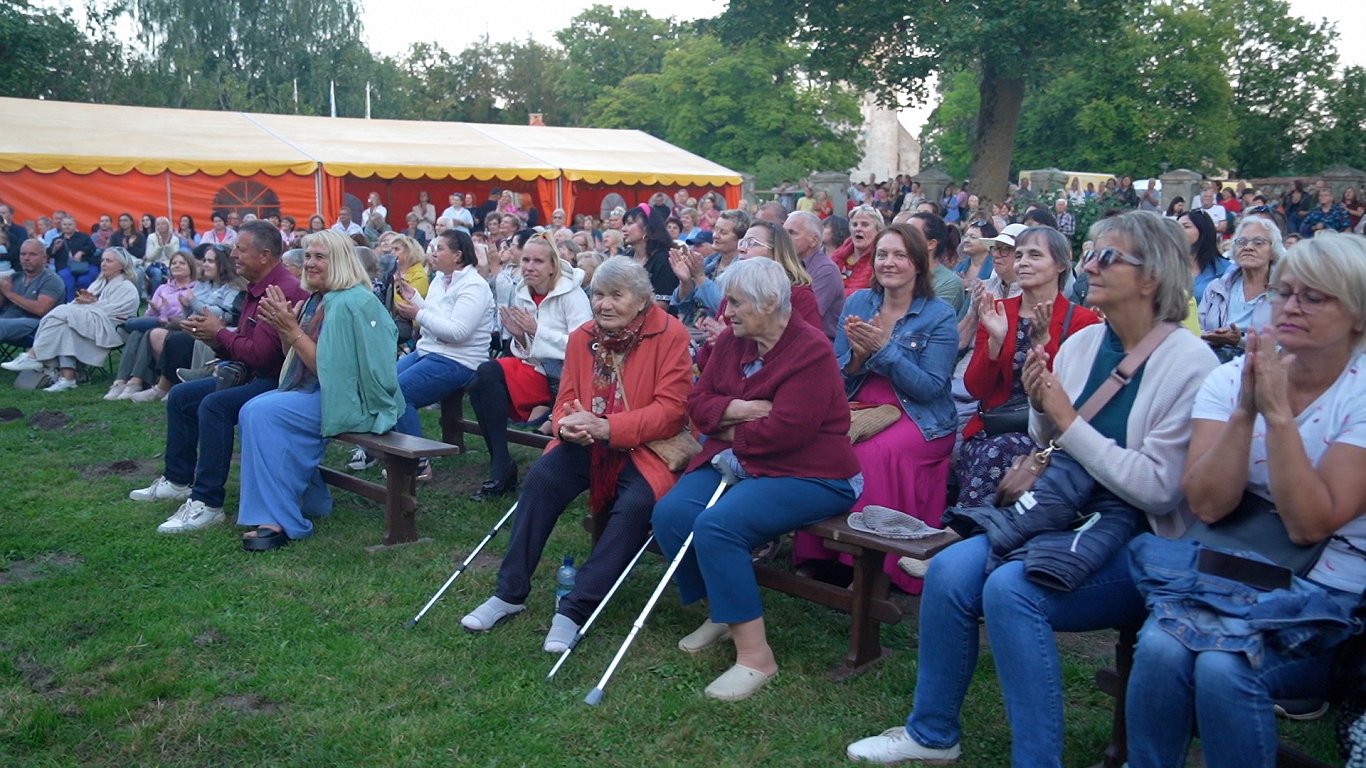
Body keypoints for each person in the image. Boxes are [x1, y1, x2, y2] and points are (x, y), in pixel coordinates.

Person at [847, 211, 1219, 766]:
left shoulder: (1189, 363)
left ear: (1152, 278)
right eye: (1090, 252)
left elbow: (1159, 490)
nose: (1089, 264)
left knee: (1010, 591)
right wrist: (1043, 406)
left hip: (1141, 536)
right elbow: (1048, 441)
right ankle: (932, 733)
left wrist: (1064, 420)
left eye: (1106, 256)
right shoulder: (1087, 343)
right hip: (1061, 509)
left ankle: (1036, 759)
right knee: (949, 571)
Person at [1125, 231, 1366, 768]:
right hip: (1232, 562)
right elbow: (1207, 506)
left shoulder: (1361, 391)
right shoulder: (1232, 377)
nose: (1291, 307)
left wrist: (1278, 416)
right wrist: (1245, 412)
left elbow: (1309, 525)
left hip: (1326, 583)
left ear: (1357, 315)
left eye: (1315, 296)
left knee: (1222, 667)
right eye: (1284, 292)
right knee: (1162, 647)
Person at [651, 258, 861, 701]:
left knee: (719, 526)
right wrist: (739, 413)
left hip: (812, 470)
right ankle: (724, 612)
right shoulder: (732, 341)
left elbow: (788, 432)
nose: (726, 311)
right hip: (741, 456)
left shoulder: (811, 350)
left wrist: (724, 425)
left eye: (736, 302)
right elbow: (698, 401)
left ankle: (756, 658)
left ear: (770, 303)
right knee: (672, 513)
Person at [461, 256, 693, 652]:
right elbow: (566, 397)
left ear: (641, 300)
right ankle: (509, 592)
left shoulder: (670, 335)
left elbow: (672, 410)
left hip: (645, 449)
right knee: (542, 478)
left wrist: (610, 427)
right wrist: (568, 422)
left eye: (615, 296)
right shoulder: (585, 335)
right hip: (588, 442)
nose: (604, 304)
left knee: (637, 504)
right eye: (599, 295)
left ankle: (575, 608)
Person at [791, 223, 959, 593]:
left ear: (918, 262)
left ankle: (869, 568)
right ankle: (823, 554)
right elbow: (837, 377)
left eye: (900, 255)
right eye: (883, 254)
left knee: (873, 453)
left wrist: (885, 352)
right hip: (861, 402)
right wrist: (858, 359)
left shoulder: (939, 315)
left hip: (918, 416)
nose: (889, 262)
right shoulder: (859, 303)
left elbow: (931, 388)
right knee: (824, 444)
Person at [128, 220, 308, 535]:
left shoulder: (280, 289)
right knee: (183, 397)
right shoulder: (258, 285)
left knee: (215, 405)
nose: (233, 254)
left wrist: (220, 333)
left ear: (264, 255)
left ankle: (208, 503)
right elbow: (249, 348)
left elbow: (263, 357)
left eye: (241, 249)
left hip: (278, 383)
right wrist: (214, 338)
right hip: (255, 375)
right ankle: (178, 480)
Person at [234, 229, 403, 550]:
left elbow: (332, 373)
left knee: (261, 413)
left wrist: (292, 329)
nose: (309, 263)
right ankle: (311, 498)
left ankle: (281, 520)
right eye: (307, 256)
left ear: (338, 260)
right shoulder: (319, 299)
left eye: (319, 257)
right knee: (251, 410)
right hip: (318, 392)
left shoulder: (353, 301)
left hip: (355, 399)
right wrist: (288, 330)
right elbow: (296, 359)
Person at [956, 227, 1101, 507]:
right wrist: (995, 343)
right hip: (996, 425)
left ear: (1060, 264)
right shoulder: (998, 311)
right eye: (1019, 255)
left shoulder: (1083, 322)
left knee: (1002, 453)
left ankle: (962, 526)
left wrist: (1043, 342)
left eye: (1035, 255)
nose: (1023, 262)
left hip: (1051, 434)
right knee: (994, 450)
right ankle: (970, 529)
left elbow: (1072, 391)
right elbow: (976, 388)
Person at [357, 230, 494, 478]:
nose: (432, 252)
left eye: (439, 248)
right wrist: (416, 298)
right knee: (381, 382)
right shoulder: (442, 279)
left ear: (458, 255)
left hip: (460, 360)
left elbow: (458, 331)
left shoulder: (474, 286)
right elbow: (438, 315)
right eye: (433, 247)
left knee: (399, 391)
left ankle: (418, 462)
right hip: (432, 351)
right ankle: (386, 446)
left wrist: (417, 314)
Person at [467, 233, 593, 499]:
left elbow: (583, 347)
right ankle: (501, 463)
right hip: (536, 369)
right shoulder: (522, 291)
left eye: (538, 261)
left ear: (552, 266)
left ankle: (501, 467)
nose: (529, 266)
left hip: (566, 377)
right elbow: (525, 349)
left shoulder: (573, 295)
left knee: (486, 374)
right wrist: (521, 336)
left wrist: (537, 331)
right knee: (480, 381)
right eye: (526, 259)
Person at [4, 247, 139, 392]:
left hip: (112, 328)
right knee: (64, 327)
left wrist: (91, 304)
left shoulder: (127, 287)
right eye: (103, 260)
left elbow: (116, 312)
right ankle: (68, 379)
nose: (103, 264)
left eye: (109, 261)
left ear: (121, 265)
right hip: (92, 321)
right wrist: (86, 302)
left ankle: (33, 355)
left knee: (62, 311)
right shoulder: (99, 283)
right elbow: (88, 304)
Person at [122, 245, 247, 401]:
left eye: (210, 261)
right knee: (152, 334)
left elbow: (222, 315)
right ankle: (146, 383)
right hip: (191, 325)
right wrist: (187, 307)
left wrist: (193, 302)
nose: (205, 264)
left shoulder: (233, 287)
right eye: (204, 260)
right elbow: (190, 313)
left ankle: (161, 388)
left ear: (222, 264)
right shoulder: (202, 284)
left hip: (214, 331)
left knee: (174, 339)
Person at [106, 249, 199, 401]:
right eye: (174, 263)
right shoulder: (163, 288)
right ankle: (122, 381)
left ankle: (136, 381)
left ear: (191, 267)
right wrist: (155, 310)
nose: (176, 266)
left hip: (176, 326)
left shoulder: (194, 289)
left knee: (140, 328)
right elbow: (149, 315)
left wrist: (168, 311)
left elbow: (186, 316)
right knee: (139, 333)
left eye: (182, 263)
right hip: (158, 322)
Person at [1198, 217, 1280, 360]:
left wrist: (1239, 341)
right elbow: (1199, 328)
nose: (1248, 247)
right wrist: (1211, 336)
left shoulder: (1283, 293)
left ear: (1273, 251)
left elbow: (1284, 345)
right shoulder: (1217, 288)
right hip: (1213, 360)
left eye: (1258, 242)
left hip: (1263, 365)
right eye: (1241, 242)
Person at [671, 208, 748, 323]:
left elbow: (726, 311)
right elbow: (681, 306)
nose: (716, 235)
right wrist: (685, 282)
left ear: (740, 239)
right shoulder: (708, 262)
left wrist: (700, 278)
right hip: (693, 331)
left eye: (723, 232)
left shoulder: (744, 270)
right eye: (715, 229)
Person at [785, 210, 844, 339]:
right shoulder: (788, 265)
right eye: (783, 232)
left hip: (816, 345)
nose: (784, 238)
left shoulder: (826, 270)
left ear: (813, 240)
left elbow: (805, 315)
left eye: (791, 233)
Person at [0, 238, 64, 346]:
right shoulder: (15, 277)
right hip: (7, 320)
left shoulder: (51, 280)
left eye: (32, 254)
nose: (26, 258)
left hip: (36, 325)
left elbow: (41, 310)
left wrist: (9, 293)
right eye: (23, 254)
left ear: (44, 258)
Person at [907, 212, 968, 315]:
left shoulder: (949, 283)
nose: (901, 238)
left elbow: (927, 323)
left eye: (911, 234)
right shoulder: (898, 272)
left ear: (931, 244)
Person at [622, 204, 678, 309]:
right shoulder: (627, 256)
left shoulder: (663, 259)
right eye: (624, 224)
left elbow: (663, 305)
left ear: (647, 228)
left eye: (629, 223)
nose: (623, 229)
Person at [1178, 209, 1229, 305]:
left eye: (1186, 226)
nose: (1178, 231)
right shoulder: (1167, 267)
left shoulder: (1226, 270)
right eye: (1177, 226)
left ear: (1203, 231)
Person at [833, 205, 886, 296]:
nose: (858, 228)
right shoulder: (837, 255)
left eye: (865, 224)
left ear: (878, 230)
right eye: (854, 224)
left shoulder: (881, 259)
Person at [47, 216, 98, 301]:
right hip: (65, 267)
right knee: (68, 281)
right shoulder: (57, 239)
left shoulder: (83, 236)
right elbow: (49, 253)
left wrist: (82, 252)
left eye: (70, 224)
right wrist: (55, 248)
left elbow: (92, 248)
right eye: (64, 224)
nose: (67, 226)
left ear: (75, 226)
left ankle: (86, 303)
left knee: (84, 281)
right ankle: (70, 304)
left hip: (84, 266)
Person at [143, 217, 183, 294]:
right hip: (152, 264)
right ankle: (155, 298)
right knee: (157, 273)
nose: (160, 226)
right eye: (158, 224)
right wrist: (159, 246)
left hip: (168, 264)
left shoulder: (174, 239)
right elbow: (150, 257)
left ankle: (171, 295)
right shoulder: (151, 237)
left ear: (168, 225)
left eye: (163, 224)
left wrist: (167, 245)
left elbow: (173, 257)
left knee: (170, 272)